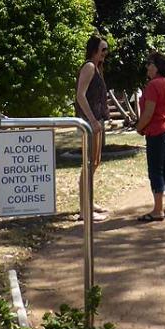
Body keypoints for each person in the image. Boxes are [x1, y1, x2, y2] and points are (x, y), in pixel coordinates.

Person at [134, 51, 165, 222]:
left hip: (157, 132)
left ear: (157, 67)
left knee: (156, 170)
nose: (147, 66)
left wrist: (139, 127)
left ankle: (157, 210)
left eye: (150, 63)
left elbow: (149, 112)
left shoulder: (153, 85)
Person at [75, 34, 110, 221]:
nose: (105, 53)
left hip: (96, 121)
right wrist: (92, 121)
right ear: (94, 50)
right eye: (102, 49)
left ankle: (89, 202)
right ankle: (84, 211)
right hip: (89, 123)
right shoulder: (89, 67)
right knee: (88, 165)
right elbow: (80, 95)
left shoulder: (97, 68)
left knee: (94, 163)